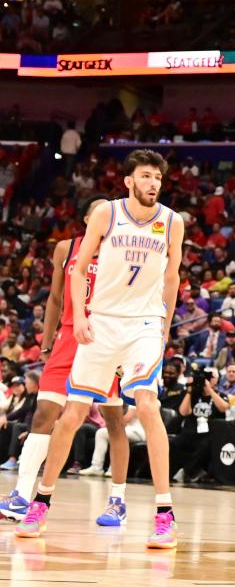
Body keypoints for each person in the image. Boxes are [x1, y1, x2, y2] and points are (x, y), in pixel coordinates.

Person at [17, 150, 183, 548]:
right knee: (72, 414)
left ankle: (164, 513)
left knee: (146, 404)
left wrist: (164, 326)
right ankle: (41, 500)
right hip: (102, 321)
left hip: (143, 323)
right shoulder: (108, 213)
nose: (153, 184)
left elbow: (173, 276)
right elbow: (78, 267)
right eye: (145, 176)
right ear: (128, 181)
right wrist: (84, 317)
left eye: (157, 178)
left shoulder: (171, 222)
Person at [0, 198, 132, 527]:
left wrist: (125, 353)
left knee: (113, 420)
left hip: (107, 339)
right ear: (88, 218)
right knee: (44, 413)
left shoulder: (124, 253)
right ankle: (21, 494)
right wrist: (47, 341)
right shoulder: (65, 249)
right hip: (69, 338)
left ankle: (118, 499)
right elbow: (56, 298)